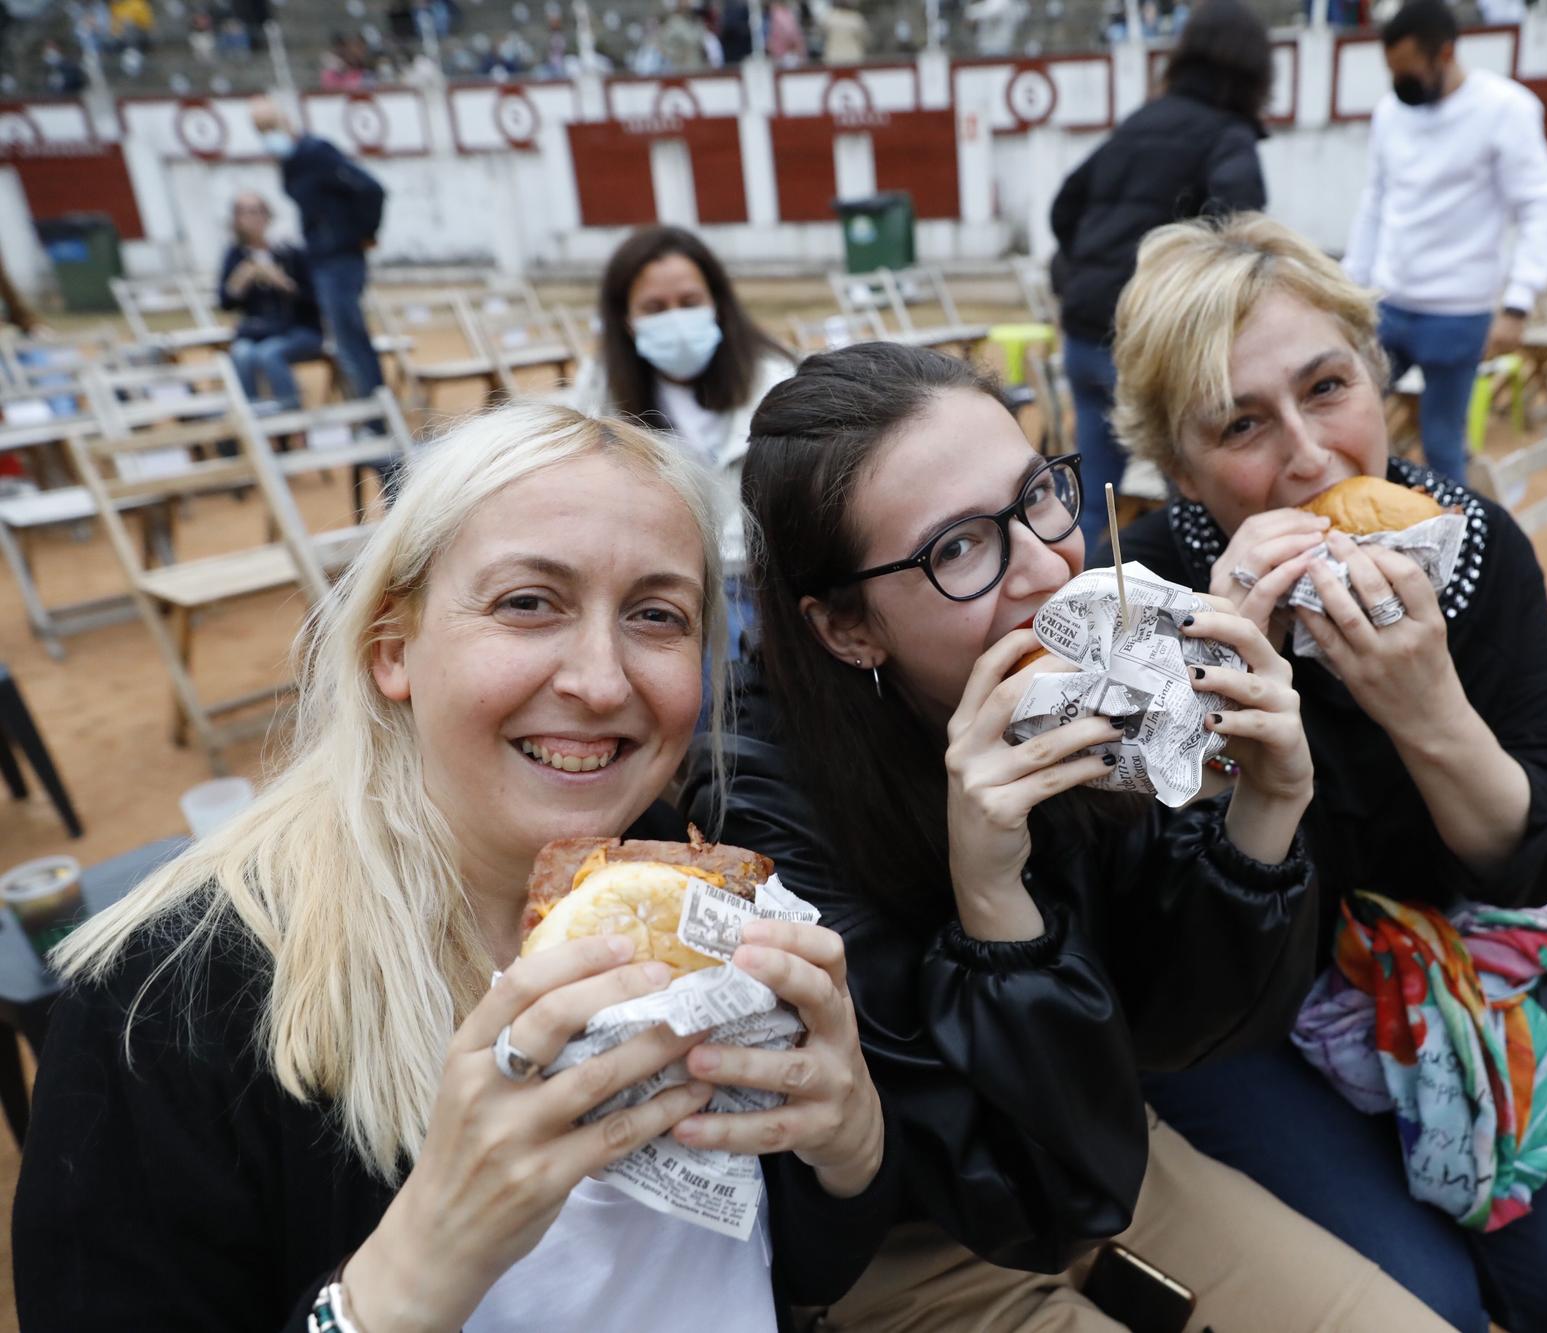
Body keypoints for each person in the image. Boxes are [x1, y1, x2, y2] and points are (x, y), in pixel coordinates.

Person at [14, 403, 896, 1331]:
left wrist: (848, 1149)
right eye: (528, 602)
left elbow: (799, 1265)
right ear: (393, 647)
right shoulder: (160, 1011)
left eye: (655, 614)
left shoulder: (687, 889)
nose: (602, 680)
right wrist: (415, 1270)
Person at [680, 341, 1455, 1331]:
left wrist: (1259, 810)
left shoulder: (1083, 689)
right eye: (957, 546)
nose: (1049, 564)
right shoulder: (753, 809)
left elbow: (1178, 1031)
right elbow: (990, 1183)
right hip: (910, 1239)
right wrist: (994, 905)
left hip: (1103, 1145)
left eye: (1039, 496)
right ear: (845, 628)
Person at [1108, 213, 1547, 1333]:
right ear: (1177, 465)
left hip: (1437, 966)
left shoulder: (1473, 552)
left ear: (1375, 377)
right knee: (1429, 1307)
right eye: (1240, 424)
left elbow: (1542, 851)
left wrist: (1427, 710)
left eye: (1326, 387)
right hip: (1235, 1020)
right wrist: (1215, 675)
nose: (1309, 455)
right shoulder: (1147, 594)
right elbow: (1154, 931)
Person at [1049, 0, 1270, 555]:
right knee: (1196, 498)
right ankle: (1197, 623)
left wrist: (1082, 274)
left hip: (1083, 337)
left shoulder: (1139, 122)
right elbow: (1239, 224)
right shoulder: (1227, 133)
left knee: (1091, 500)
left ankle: (1067, 618)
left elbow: (1063, 206)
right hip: (1155, 347)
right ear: (1254, 73)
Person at [1343, 0, 1547, 485]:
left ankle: (1455, 549)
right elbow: (1375, 202)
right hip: (1387, 304)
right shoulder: (1390, 113)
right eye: (1392, 72)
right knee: (1346, 422)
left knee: (1443, 443)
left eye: (1409, 71)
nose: (1400, 83)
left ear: (1444, 53)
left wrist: (1518, 304)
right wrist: (1350, 284)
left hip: (1456, 313)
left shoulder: (1505, 110)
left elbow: (1540, 209)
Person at [576, 224, 793, 659]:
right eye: (655, 308)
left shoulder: (776, 381)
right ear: (626, 320)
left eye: (689, 303)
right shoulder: (599, 395)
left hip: (760, 580)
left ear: (716, 304)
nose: (675, 319)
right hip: (650, 584)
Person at [250, 95, 387, 401]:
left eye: (269, 125)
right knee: (344, 338)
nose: (267, 135)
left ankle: (375, 411)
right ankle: (370, 406)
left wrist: (365, 233)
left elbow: (370, 188)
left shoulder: (315, 153)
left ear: (284, 121)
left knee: (350, 339)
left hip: (340, 258)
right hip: (322, 258)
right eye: (260, 129)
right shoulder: (291, 163)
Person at [217, 190, 323, 411]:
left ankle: (291, 412)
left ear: (268, 216)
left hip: (298, 329)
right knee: (241, 354)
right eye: (245, 213)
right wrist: (239, 282)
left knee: (268, 354)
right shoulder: (235, 256)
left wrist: (284, 283)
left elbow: (316, 300)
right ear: (236, 220)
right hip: (259, 331)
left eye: (257, 211)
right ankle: (255, 415)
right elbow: (225, 303)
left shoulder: (289, 252)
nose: (253, 218)